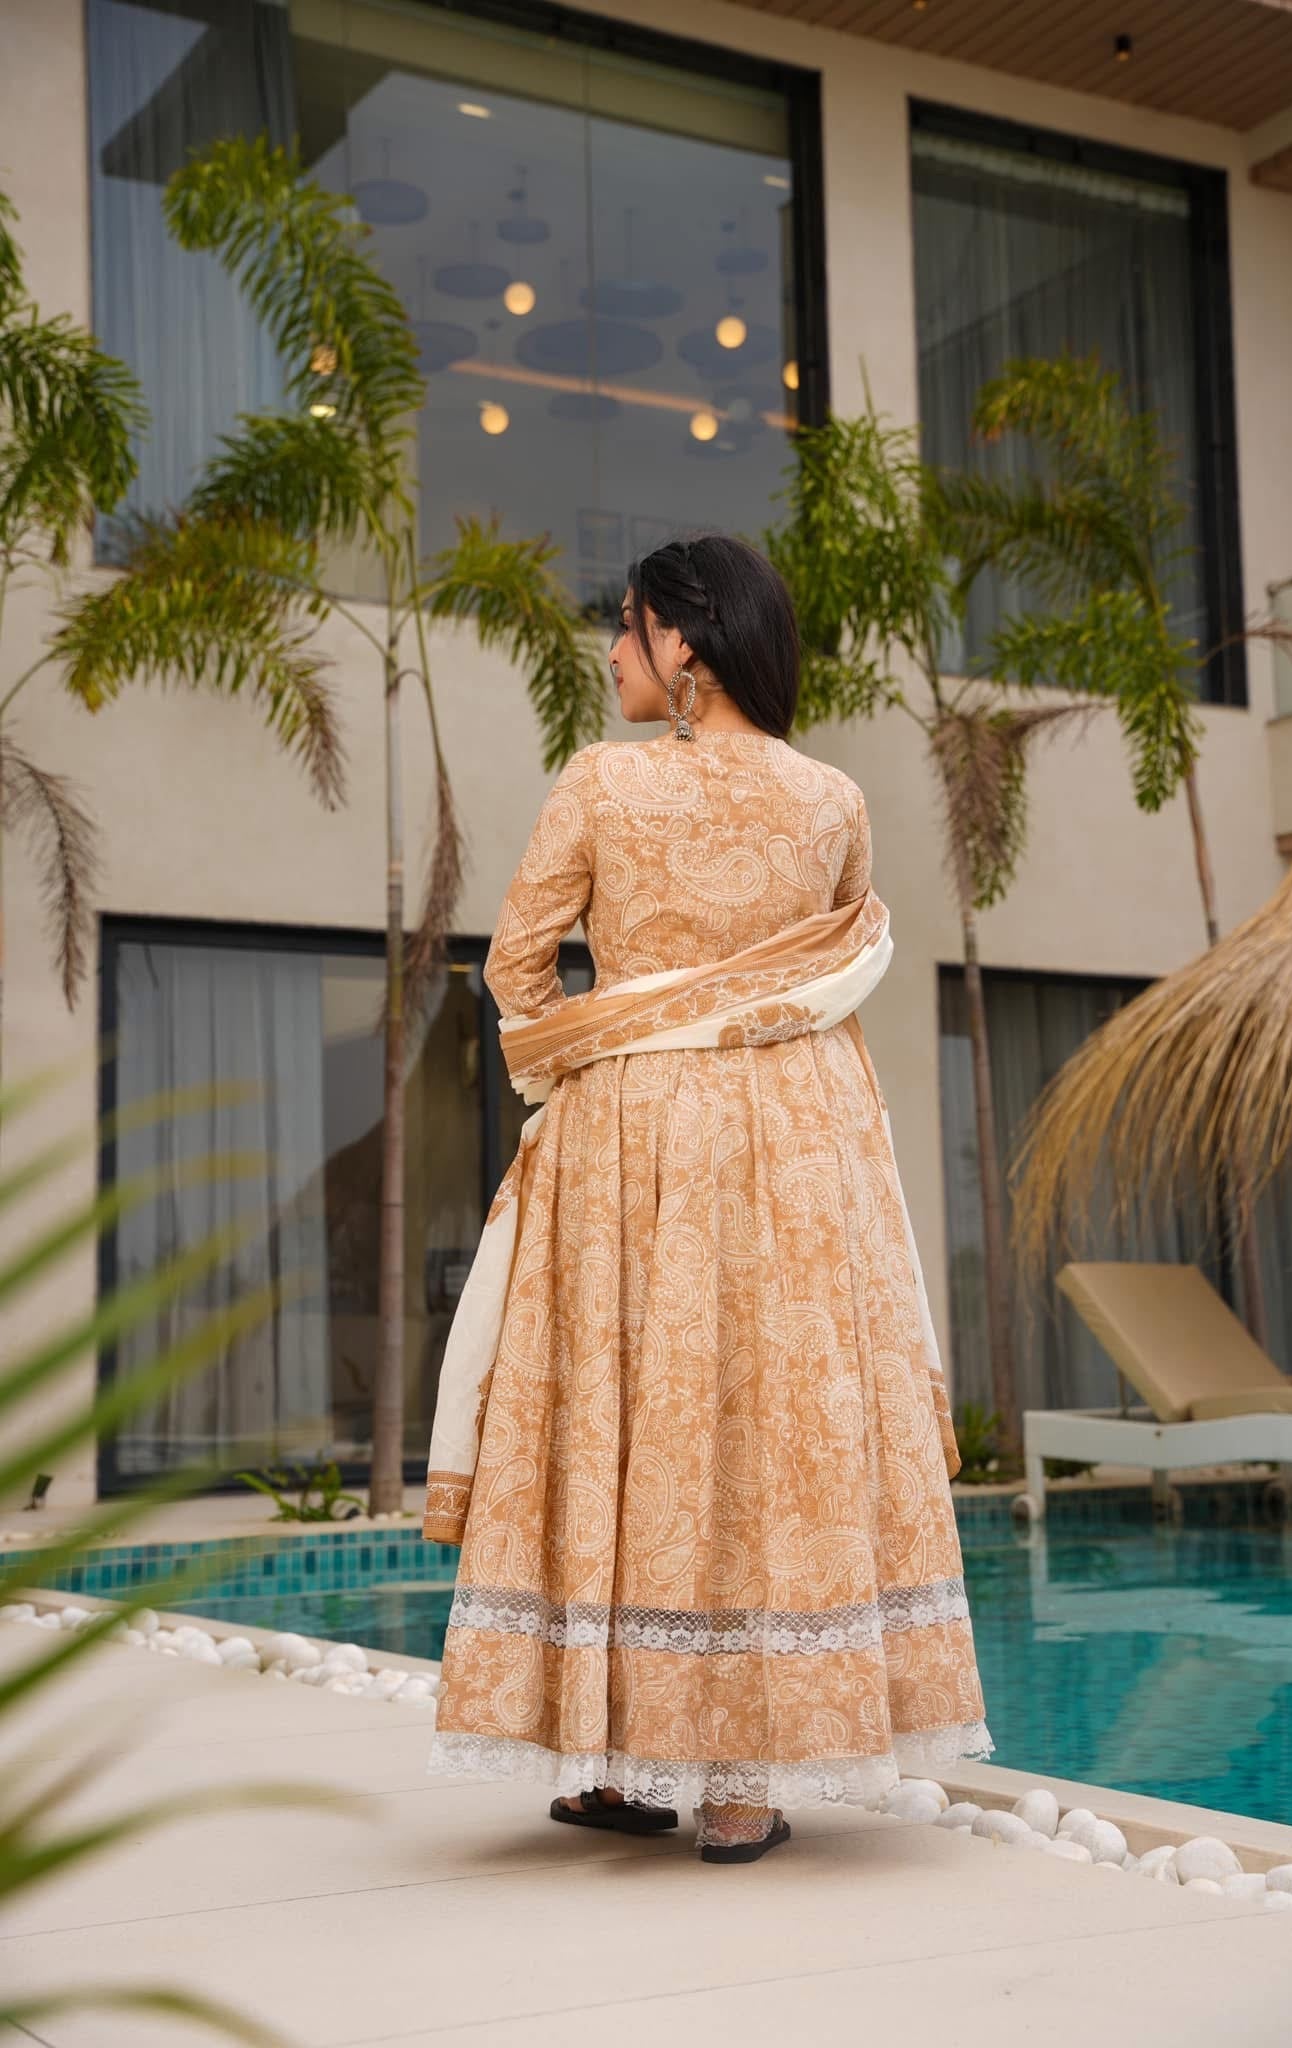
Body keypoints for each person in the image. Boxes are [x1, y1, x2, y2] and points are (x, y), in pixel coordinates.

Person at [423, 533, 991, 1863]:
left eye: (625, 624)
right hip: (801, 1141)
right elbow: (827, 976)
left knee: (631, 1422)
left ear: (683, 640)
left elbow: (515, 970)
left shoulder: (602, 783)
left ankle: (612, 1767)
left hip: (635, 1138)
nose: (612, 651)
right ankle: (740, 1788)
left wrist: (593, 1052)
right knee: (765, 1426)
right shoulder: (833, 799)